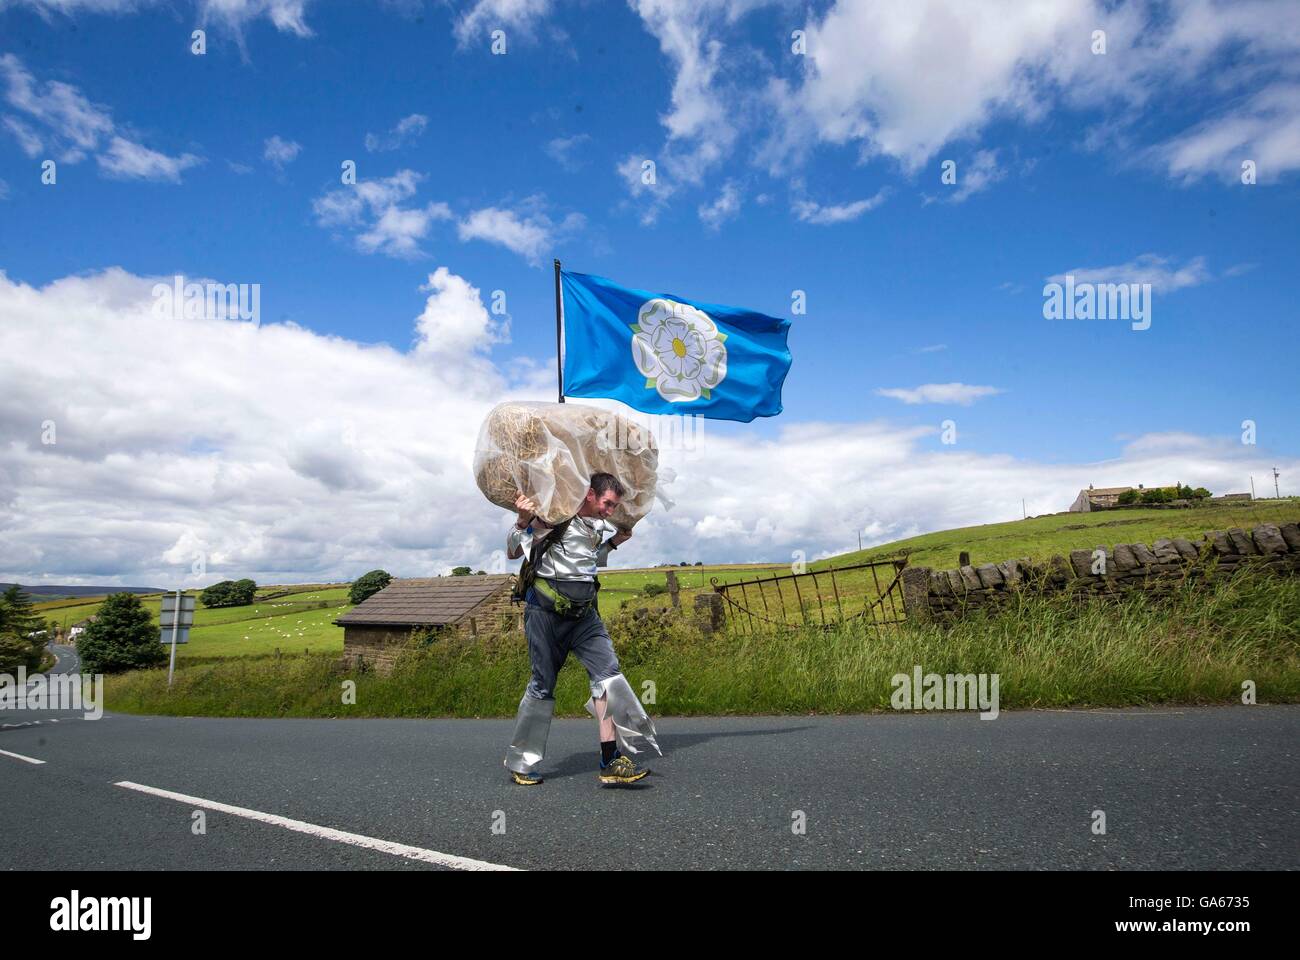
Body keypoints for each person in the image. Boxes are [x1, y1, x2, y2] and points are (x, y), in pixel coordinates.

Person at [503, 472, 662, 786]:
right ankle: (522, 762)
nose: (609, 511)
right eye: (607, 503)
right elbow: (512, 551)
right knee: (542, 684)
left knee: (608, 677)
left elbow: (587, 559)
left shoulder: (598, 526)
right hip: (545, 614)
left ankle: (610, 760)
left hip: (585, 617)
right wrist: (522, 522)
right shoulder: (554, 517)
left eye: (614, 506)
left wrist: (615, 542)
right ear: (589, 494)